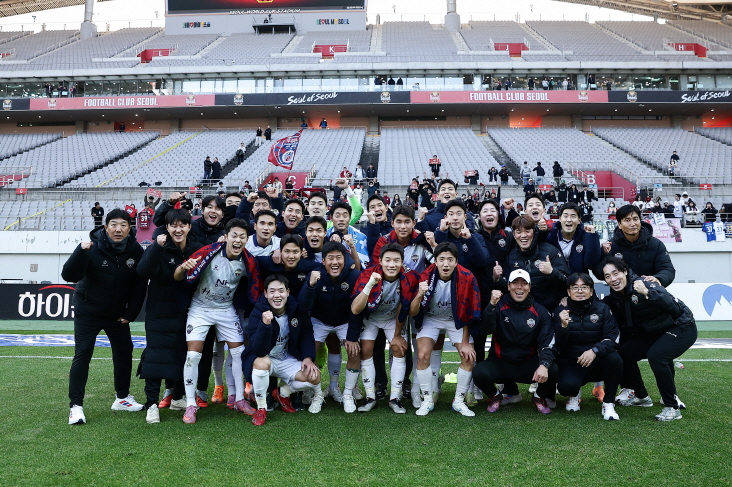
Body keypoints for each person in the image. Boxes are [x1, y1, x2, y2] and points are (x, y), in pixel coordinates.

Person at [63, 209, 147, 425]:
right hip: (88, 312)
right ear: (106, 227)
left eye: (123, 225)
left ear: (129, 228)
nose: (118, 229)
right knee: (83, 354)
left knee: (125, 351)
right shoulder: (91, 247)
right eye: (114, 224)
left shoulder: (136, 250)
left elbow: (139, 286)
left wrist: (130, 313)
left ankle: (122, 398)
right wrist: (80, 252)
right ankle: (76, 407)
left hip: (116, 315)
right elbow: (69, 275)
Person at [176, 218, 262, 424]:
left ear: (247, 239)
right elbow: (179, 276)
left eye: (242, 237)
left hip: (225, 309)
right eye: (234, 235)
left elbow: (256, 285)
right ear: (226, 236)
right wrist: (182, 268)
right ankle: (190, 404)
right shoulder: (209, 252)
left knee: (238, 352)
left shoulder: (248, 261)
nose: (238, 240)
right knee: (193, 355)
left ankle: (239, 399)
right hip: (200, 308)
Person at [600, 257, 697, 421]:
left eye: (615, 273)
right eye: (607, 276)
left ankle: (672, 407)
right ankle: (641, 397)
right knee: (623, 354)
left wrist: (647, 292)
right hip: (655, 331)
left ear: (625, 272)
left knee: (657, 356)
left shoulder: (645, 283)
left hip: (682, 326)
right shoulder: (616, 296)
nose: (613, 279)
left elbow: (674, 307)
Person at [136, 209, 202, 423]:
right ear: (167, 227)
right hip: (159, 311)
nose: (178, 229)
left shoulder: (196, 248)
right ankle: (151, 404)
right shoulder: (160, 246)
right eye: (174, 225)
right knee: (155, 356)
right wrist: (157, 247)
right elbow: (142, 271)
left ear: (189, 227)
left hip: (186, 311)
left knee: (182, 355)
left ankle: (178, 397)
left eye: (182, 225)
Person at [409, 242, 481, 416]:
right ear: (435, 261)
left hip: (457, 320)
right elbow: (412, 312)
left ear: (456, 261)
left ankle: (459, 401)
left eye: (450, 259)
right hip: (431, 318)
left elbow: (469, 311)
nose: (446, 264)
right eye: (441, 259)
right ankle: (427, 400)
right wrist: (419, 295)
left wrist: (465, 342)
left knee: (468, 356)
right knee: (422, 355)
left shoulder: (467, 277)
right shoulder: (426, 275)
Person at [473, 269, 557, 415]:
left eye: (524, 283)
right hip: (500, 363)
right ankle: (495, 396)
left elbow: (547, 341)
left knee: (553, 369)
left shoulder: (540, 311)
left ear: (529, 287)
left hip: (527, 364)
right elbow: (485, 330)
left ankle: (538, 397)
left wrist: (543, 365)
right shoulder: (498, 305)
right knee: (479, 372)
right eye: (515, 283)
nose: (519, 287)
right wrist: (491, 305)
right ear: (508, 286)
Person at [348, 242, 419, 413]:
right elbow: (355, 309)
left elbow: (404, 306)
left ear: (402, 262)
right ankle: (370, 397)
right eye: (387, 260)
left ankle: (395, 397)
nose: (392, 265)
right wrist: (370, 285)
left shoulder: (409, 277)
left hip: (393, 318)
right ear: (380, 261)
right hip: (371, 318)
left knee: (399, 348)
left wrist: (397, 335)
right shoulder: (368, 274)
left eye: (396, 260)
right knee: (366, 350)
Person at [243, 274, 324, 426]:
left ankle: (282, 393)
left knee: (314, 377)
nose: (277, 295)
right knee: (261, 363)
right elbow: (259, 350)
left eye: (281, 291)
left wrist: (308, 358)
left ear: (287, 292)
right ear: (265, 293)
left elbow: (306, 334)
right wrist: (265, 325)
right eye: (272, 291)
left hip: (286, 358)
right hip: (266, 359)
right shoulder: (258, 312)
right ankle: (261, 408)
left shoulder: (296, 309)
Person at [552, 273, 622, 420]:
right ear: (568, 292)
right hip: (572, 361)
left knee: (615, 359)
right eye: (575, 287)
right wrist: (563, 326)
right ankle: (574, 394)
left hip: (597, 359)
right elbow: (558, 345)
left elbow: (613, 338)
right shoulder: (559, 311)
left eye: (584, 287)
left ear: (591, 291)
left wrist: (595, 351)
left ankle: (608, 403)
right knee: (566, 387)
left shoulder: (603, 308)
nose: (580, 291)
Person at [595, 204, 675, 288]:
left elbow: (667, 269)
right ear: (619, 224)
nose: (632, 224)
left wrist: (658, 279)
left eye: (635, 219)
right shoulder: (610, 247)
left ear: (640, 221)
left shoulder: (656, 244)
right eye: (627, 220)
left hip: (650, 291)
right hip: (620, 293)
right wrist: (604, 254)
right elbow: (600, 274)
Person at [502, 215, 570, 312]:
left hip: (549, 310)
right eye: (519, 232)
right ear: (513, 234)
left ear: (534, 232)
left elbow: (567, 282)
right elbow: (507, 287)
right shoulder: (510, 257)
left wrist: (552, 272)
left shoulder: (550, 251)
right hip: (522, 311)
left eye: (527, 231)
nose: (523, 235)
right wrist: (497, 279)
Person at [546, 203, 602, 276]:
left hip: (579, 281)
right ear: (560, 218)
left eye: (573, 216)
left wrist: (592, 237)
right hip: (556, 281)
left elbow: (591, 264)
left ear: (579, 220)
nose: (569, 220)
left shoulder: (585, 237)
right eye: (565, 216)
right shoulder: (550, 236)